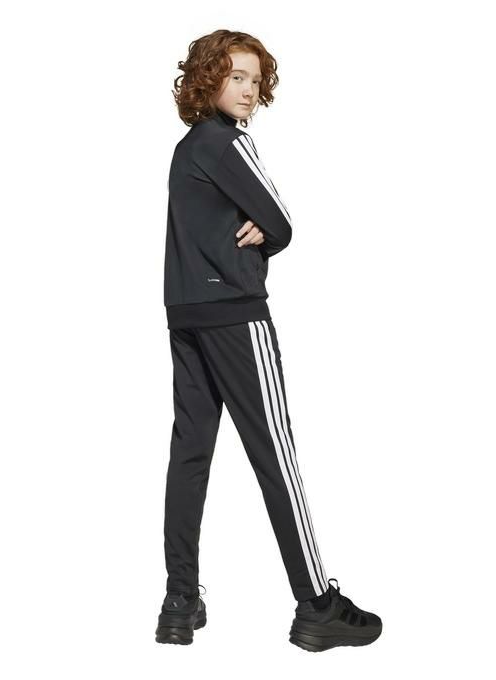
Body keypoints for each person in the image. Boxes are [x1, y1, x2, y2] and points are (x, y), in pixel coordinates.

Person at [156, 29, 382, 652]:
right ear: (207, 79)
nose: (249, 90)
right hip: (236, 314)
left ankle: (179, 601)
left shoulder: (186, 149)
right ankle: (316, 604)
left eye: (255, 80)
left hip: (186, 313)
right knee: (275, 454)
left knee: (190, 454)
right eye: (235, 77)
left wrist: (259, 225)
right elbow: (281, 221)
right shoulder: (229, 143)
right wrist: (267, 230)